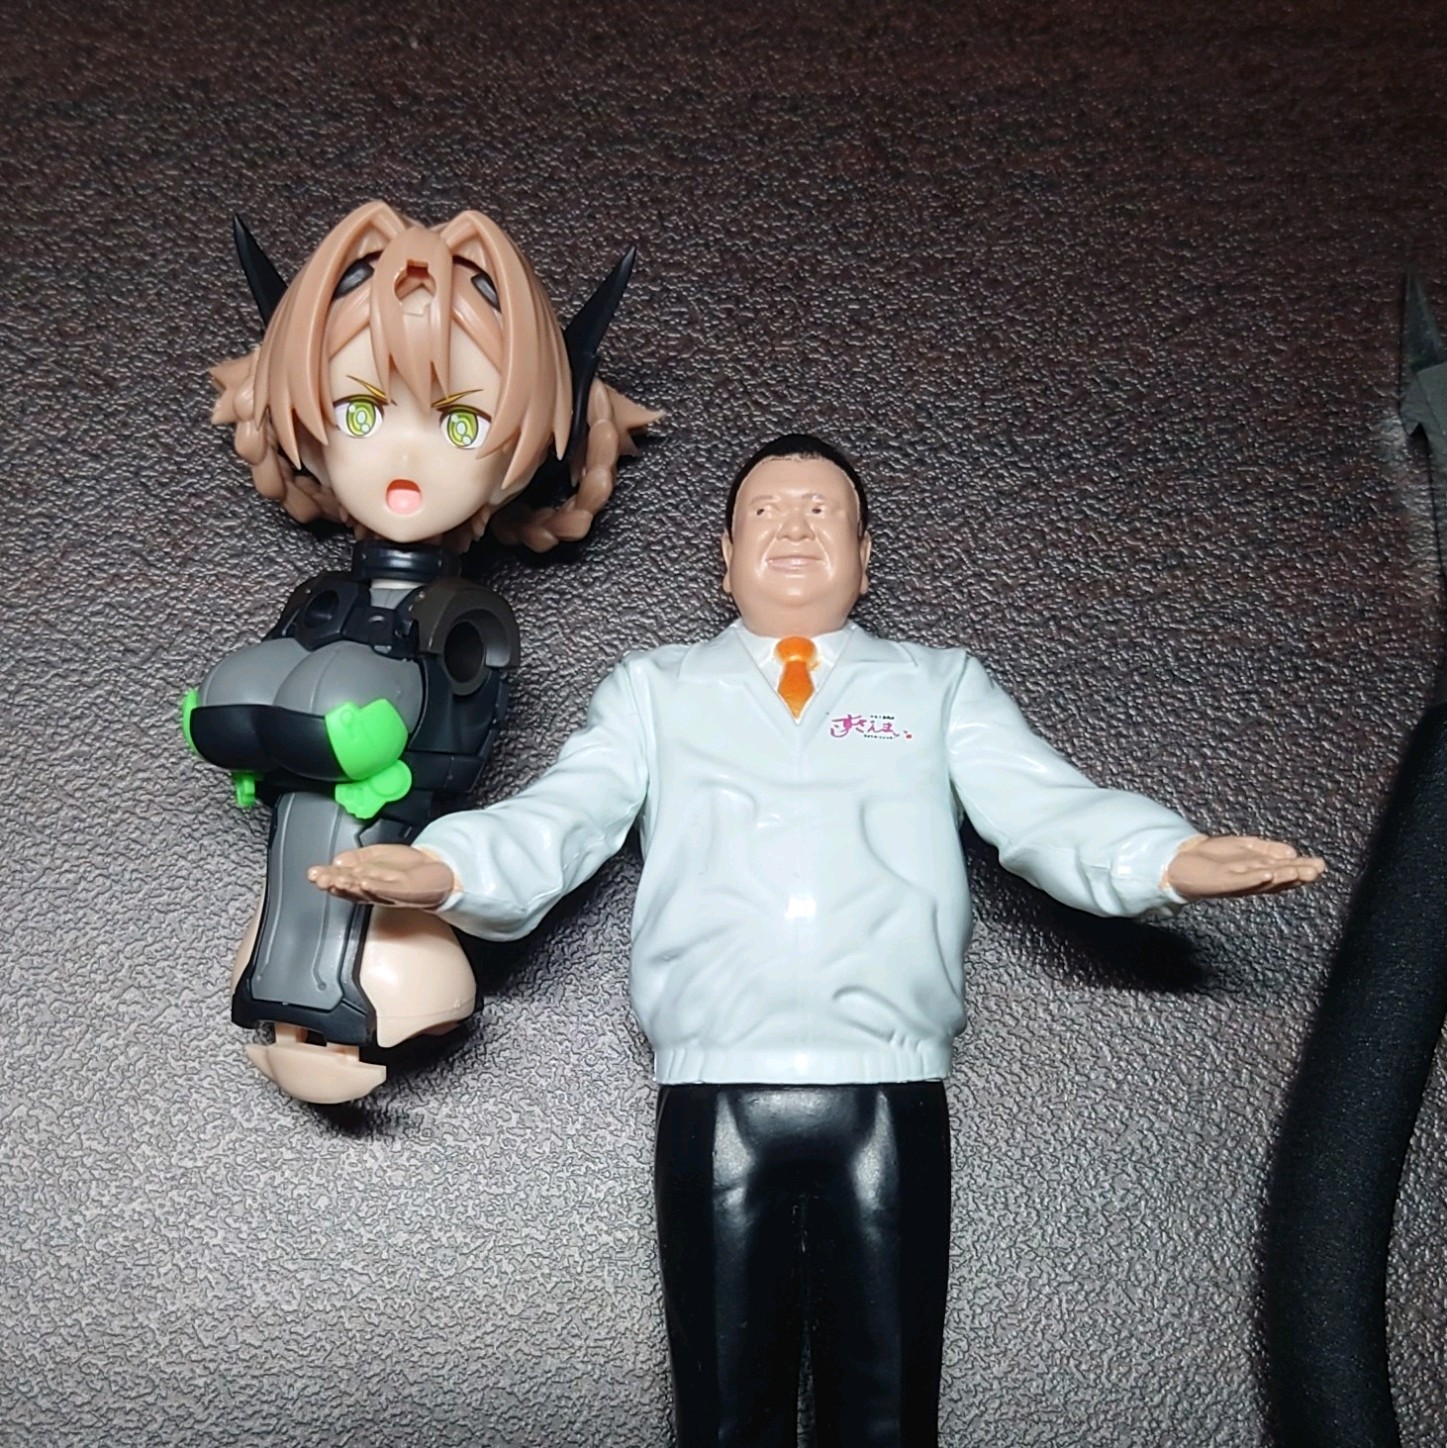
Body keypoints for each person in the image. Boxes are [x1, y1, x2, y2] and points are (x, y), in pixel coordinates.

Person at [312, 433, 1324, 1446]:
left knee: (885, 1395)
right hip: (713, 1087)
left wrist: (1167, 858)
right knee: (723, 1400)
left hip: (888, 1085)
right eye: (765, 511)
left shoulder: (934, 687)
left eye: (818, 511)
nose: (792, 528)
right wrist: (450, 867)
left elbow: (1047, 810)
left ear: (863, 557)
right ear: (725, 558)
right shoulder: (657, 691)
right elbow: (564, 815)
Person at [186, 201, 653, 1103]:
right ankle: (288, 994)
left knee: (333, 695)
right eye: (360, 411)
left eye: (462, 423)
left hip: (392, 866)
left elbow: (444, 728)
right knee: (255, 685)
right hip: (297, 863)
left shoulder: (462, 618)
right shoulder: (325, 601)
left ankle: (342, 993)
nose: (405, 458)